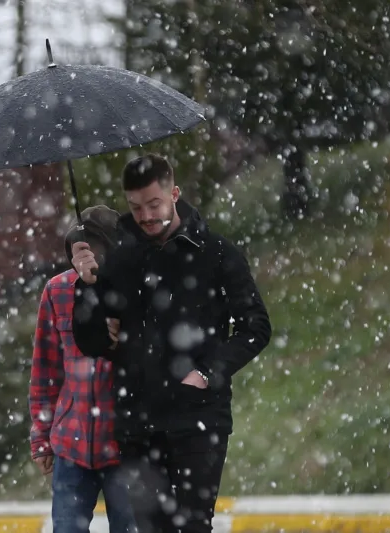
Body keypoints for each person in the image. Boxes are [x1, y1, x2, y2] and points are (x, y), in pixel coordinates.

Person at [70, 154, 272, 533]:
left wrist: (207, 372)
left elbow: (256, 327)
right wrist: (87, 286)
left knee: (194, 526)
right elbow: (92, 341)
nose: (145, 215)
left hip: (198, 415)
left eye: (154, 204)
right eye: (135, 207)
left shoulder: (215, 253)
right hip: (137, 420)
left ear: (174, 194)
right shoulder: (119, 259)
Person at [29, 205, 136, 533]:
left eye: (97, 246)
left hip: (126, 447)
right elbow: (45, 371)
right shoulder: (57, 291)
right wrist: (41, 438)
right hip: (71, 445)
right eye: (82, 246)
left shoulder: (135, 289)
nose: (89, 255)